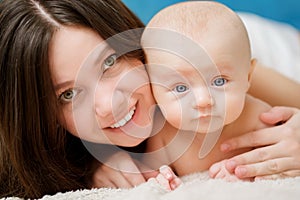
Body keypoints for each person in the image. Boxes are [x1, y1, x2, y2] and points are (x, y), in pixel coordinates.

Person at [0, 0, 300, 198]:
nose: (110, 104)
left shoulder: (212, 61)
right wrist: (92, 164)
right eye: (68, 94)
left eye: (109, 62)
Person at [140, 1, 300, 189]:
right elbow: (148, 170)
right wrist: (163, 176)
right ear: (153, 89)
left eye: (219, 81)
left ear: (248, 76)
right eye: (180, 88)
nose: (203, 101)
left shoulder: (260, 118)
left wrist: (247, 171)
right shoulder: (161, 134)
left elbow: (281, 160)